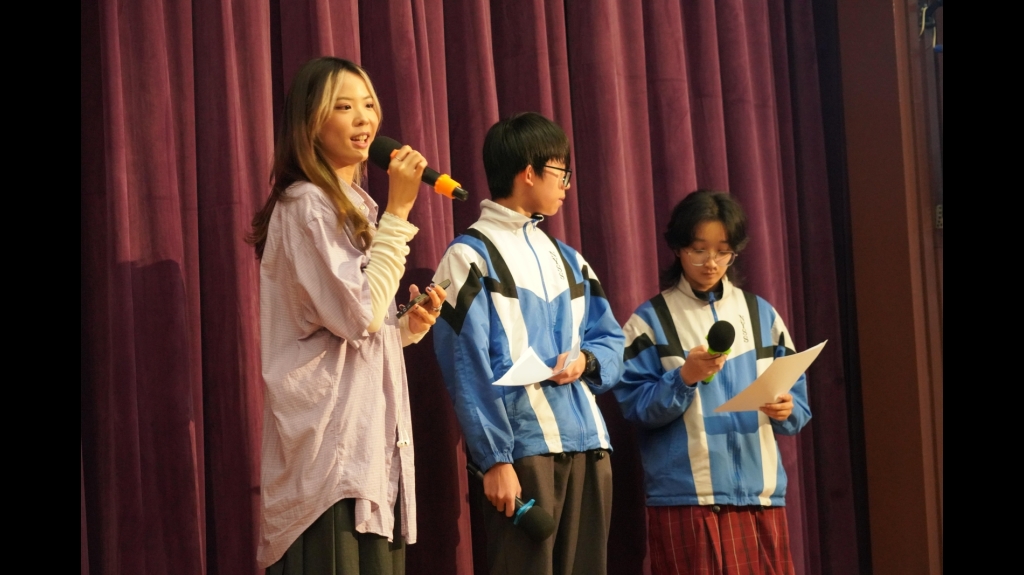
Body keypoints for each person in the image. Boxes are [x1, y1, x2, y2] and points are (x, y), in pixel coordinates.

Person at [248, 56, 447, 574]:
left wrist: (404, 329)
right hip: (330, 462)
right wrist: (399, 213)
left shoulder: (351, 204)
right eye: (343, 107)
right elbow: (359, 315)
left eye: (368, 105)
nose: (364, 118)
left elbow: (355, 325)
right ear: (310, 123)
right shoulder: (306, 205)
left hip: (364, 454)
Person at [431, 112, 625, 575]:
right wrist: (494, 459)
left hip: (591, 447)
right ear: (529, 172)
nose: (567, 186)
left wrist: (586, 361)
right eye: (561, 172)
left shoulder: (569, 259)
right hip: (524, 452)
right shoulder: (468, 256)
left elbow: (611, 338)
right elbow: (465, 367)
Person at [613, 190, 811, 575]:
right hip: (687, 500)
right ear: (678, 248)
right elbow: (634, 408)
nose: (711, 263)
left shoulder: (762, 315)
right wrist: (683, 378)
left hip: (761, 498)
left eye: (723, 251)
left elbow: (799, 405)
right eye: (699, 250)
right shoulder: (648, 321)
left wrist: (787, 408)